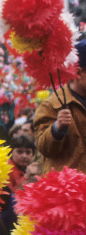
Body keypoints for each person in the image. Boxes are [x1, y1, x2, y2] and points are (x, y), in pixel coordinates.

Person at [33, 41, 86, 174]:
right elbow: (44, 148)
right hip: (67, 191)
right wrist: (57, 128)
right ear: (78, 73)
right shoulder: (52, 105)